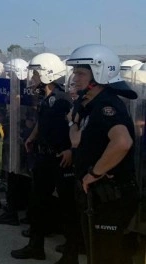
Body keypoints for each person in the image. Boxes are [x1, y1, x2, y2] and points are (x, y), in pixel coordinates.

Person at [67, 44, 140, 264]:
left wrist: (94, 174)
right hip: (97, 195)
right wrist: (74, 120)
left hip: (110, 194)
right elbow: (76, 140)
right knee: (97, 252)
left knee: (106, 255)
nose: (75, 77)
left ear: (100, 72)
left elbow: (122, 142)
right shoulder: (90, 105)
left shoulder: (107, 106)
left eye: (81, 73)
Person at [11, 53, 79, 262]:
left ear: (47, 74)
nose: (32, 79)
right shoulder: (47, 99)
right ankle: (35, 246)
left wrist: (71, 151)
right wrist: (32, 137)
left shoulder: (63, 100)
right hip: (44, 157)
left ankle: (71, 255)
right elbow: (43, 122)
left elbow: (75, 126)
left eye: (36, 74)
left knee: (68, 209)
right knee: (37, 203)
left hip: (61, 159)